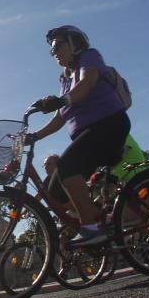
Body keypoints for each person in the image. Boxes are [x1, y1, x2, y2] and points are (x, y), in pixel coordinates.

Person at [27, 25, 130, 247]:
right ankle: (104, 220)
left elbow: (88, 82)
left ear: (74, 43)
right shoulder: (65, 79)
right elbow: (59, 118)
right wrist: (33, 136)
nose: (54, 52)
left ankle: (90, 229)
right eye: (51, 50)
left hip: (109, 125)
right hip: (88, 134)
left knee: (66, 167)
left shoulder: (89, 57)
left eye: (57, 46)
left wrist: (62, 100)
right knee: (55, 191)